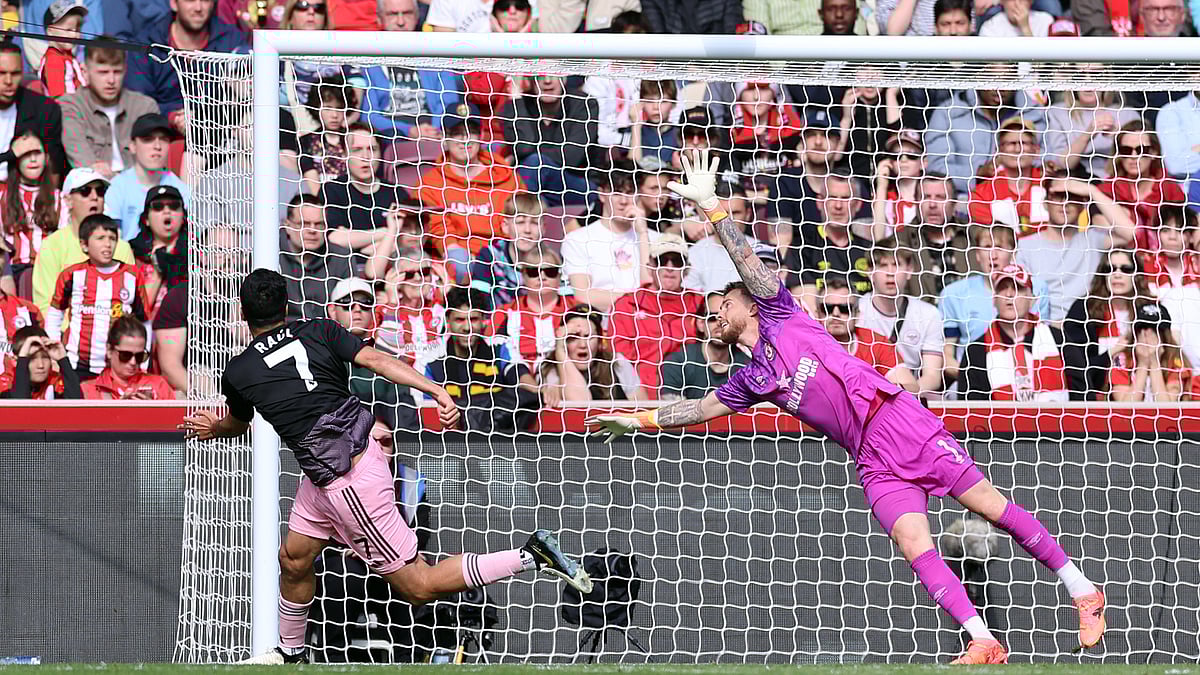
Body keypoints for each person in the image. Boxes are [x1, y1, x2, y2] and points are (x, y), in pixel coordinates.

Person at [589, 150, 1105, 665]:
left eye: (724, 303)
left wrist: (712, 208)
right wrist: (638, 418)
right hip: (870, 456)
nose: (715, 312)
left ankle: (1081, 588)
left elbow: (746, 261)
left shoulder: (780, 313)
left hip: (899, 420)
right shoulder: (753, 378)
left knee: (992, 508)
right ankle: (982, 639)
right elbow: (700, 409)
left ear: (747, 303)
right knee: (912, 543)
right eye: (712, 309)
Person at [182, 269, 590, 665]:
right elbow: (375, 359)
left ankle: (531, 555)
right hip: (324, 477)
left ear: (241, 311)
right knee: (295, 557)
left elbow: (236, 425)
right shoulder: (319, 329)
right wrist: (433, 389)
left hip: (349, 480)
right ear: (287, 305)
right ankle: (291, 652)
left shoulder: (238, 372)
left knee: (419, 586)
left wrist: (212, 427)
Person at [939, 225, 1052, 393]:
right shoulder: (953, 294)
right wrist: (978, 376)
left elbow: (1044, 342)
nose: (993, 255)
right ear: (977, 254)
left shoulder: (1036, 288)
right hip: (973, 381)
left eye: (999, 247)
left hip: (1032, 378)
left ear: (1014, 253)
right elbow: (945, 355)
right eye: (986, 247)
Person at [418, 104, 523, 280]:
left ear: (481, 136)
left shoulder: (506, 177)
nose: (464, 139)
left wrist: (493, 255)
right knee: (459, 262)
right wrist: (452, 248)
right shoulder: (430, 182)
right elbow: (435, 225)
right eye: (457, 133)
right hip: (458, 256)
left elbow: (519, 217)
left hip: (501, 254)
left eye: (470, 132)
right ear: (445, 138)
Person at [1015, 174, 1136, 323]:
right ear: (1046, 203)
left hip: (1087, 328)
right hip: (1044, 331)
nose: (1064, 203)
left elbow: (1131, 233)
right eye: (1058, 196)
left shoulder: (1093, 239)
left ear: (1083, 205)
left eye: (1071, 197)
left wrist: (1093, 191)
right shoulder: (1026, 246)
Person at [46, 214, 147, 379]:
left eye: (112, 238)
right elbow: (55, 313)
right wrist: (55, 354)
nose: (107, 244)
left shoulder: (132, 276)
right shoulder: (71, 275)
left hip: (119, 367)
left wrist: (142, 361)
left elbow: (144, 321)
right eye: (100, 238)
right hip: (76, 365)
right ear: (84, 245)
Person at [609, 234, 705, 396]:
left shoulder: (700, 304)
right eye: (662, 260)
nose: (669, 267)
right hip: (641, 397)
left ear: (686, 269)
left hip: (693, 396)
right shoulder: (627, 305)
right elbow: (621, 360)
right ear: (650, 266)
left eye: (677, 261)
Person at [957, 263, 1070, 402]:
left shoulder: (1060, 341)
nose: (1009, 294)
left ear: (1032, 299)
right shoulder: (976, 352)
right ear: (994, 299)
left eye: (1018, 288)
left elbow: (1083, 397)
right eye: (1002, 288)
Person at [325, 276, 420, 436]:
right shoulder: (319, 360)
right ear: (332, 311)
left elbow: (405, 423)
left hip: (383, 448)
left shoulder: (390, 362)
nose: (357, 309)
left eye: (365, 304)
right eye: (347, 303)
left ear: (372, 312)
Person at [32, 168, 134, 313]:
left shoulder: (121, 247)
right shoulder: (52, 245)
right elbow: (45, 305)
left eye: (100, 191)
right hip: (65, 333)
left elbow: (129, 303)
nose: (95, 197)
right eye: (85, 191)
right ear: (68, 200)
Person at [561, 161, 657, 311]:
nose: (623, 201)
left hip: (647, 326)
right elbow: (583, 296)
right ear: (602, 194)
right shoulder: (578, 240)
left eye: (630, 192)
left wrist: (643, 234)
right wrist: (638, 301)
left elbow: (654, 289)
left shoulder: (655, 239)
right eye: (616, 192)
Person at [924, 79, 1047, 197]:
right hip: (962, 200)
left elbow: (1047, 156)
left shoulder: (1033, 113)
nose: (1000, 88)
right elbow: (937, 168)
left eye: (1006, 80)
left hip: (1025, 197)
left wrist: (1044, 167)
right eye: (992, 80)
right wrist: (976, 174)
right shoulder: (949, 113)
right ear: (979, 77)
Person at [59, 40, 161, 180]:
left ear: (125, 70)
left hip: (139, 188)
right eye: (103, 72)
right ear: (84, 72)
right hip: (94, 191)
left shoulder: (145, 107)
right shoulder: (70, 107)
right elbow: (84, 164)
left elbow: (153, 163)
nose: (111, 80)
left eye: (117, 72)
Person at [855, 242, 945, 396]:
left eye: (896, 265)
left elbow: (932, 377)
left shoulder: (928, 314)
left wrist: (903, 396)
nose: (890, 272)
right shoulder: (856, 312)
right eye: (883, 265)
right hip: (864, 393)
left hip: (911, 395)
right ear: (870, 272)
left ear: (909, 271)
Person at [1063, 250, 1154, 400]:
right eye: (1110, 269)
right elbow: (1077, 371)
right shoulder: (1083, 310)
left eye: (1125, 269)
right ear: (1102, 274)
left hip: (1146, 397)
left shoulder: (1149, 311)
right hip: (1096, 402)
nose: (1117, 274)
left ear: (1137, 275)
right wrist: (1113, 351)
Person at [501, 75, 599, 207]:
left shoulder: (584, 103)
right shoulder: (516, 107)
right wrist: (517, 99)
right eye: (540, 76)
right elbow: (524, 147)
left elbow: (571, 157)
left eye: (553, 75)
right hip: (535, 186)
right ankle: (526, 220)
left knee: (535, 162)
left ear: (563, 78)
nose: (547, 81)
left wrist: (522, 155)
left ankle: (523, 219)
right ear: (530, 81)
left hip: (578, 185)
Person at [1099, 121, 1186, 252]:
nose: (1133, 157)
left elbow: (1181, 233)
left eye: (1141, 150)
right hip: (1120, 262)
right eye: (1126, 150)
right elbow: (1099, 233)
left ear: (1154, 152)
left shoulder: (1170, 189)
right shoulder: (1107, 190)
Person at [819, 276, 917, 392]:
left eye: (845, 308)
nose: (835, 313)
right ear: (816, 313)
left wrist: (866, 389)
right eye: (827, 308)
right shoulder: (804, 344)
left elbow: (911, 387)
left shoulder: (875, 342)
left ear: (857, 314)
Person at [103, 113, 189, 240]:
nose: (157, 146)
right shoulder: (117, 187)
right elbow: (112, 239)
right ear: (132, 146)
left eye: (164, 139)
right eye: (148, 139)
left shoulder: (182, 190)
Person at [540, 303, 646, 406]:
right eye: (574, 337)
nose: (582, 345)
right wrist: (560, 351)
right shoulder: (550, 368)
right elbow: (581, 404)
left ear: (600, 342)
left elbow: (643, 408)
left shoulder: (617, 363)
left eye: (589, 336)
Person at [659, 290, 750, 401]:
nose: (719, 323)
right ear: (700, 324)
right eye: (712, 318)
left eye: (726, 318)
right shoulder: (678, 362)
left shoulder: (747, 367)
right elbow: (672, 413)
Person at [0, 131, 60, 298]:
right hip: (9, 273)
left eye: (37, 153)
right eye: (25, 154)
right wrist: (8, 155)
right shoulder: (2, 194)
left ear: (46, 158)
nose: (33, 159)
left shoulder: (60, 198)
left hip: (49, 273)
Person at [1043, 78, 1138, 181]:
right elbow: (1062, 164)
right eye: (1081, 75)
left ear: (1106, 77)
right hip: (1076, 182)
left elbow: (1141, 159)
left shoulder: (1127, 113)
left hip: (1121, 182)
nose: (1088, 81)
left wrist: (1118, 136)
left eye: (1095, 74)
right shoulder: (1057, 112)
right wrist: (1087, 135)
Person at [494, 246, 576, 366]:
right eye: (533, 272)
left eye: (550, 272)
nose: (542, 277)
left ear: (559, 275)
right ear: (523, 275)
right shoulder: (504, 314)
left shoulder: (577, 310)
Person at [278, 193, 354, 321]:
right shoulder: (270, 256)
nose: (312, 230)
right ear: (288, 225)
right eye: (304, 224)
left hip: (328, 335)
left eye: (319, 225)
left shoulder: (342, 258)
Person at [0, 43, 68, 182]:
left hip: (25, 194)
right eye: (1, 73)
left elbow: (55, 167)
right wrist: (11, 154)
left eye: (15, 73)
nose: (8, 81)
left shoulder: (45, 110)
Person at [968, 117, 1049, 233]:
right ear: (998, 151)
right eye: (1011, 143)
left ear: (1036, 150)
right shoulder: (981, 196)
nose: (1017, 149)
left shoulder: (1051, 186)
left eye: (1024, 143)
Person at [1108, 302, 1196, 401]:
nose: (1147, 335)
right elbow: (1125, 409)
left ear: (1164, 335)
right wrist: (1143, 364)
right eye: (1143, 328)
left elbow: (1166, 410)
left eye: (1154, 330)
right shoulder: (1122, 360)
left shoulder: (1175, 361)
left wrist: (1154, 364)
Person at [129, 185, 187, 320]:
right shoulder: (132, 254)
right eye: (158, 206)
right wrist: (158, 270)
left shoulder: (196, 254)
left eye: (174, 206)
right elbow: (138, 312)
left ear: (183, 216)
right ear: (146, 219)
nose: (167, 212)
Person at [80, 315, 174, 399]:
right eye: (125, 355)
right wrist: (121, 410)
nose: (133, 362)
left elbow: (174, 418)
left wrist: (151, 410)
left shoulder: (159, 385)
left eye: (139, 356)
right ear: (109, 350)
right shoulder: (88, 390)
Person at [0, 326, 82, 399]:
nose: (40, 365)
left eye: (45, 357)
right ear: (15, 361)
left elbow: (77, 408)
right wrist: (23, 359)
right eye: (32, 358)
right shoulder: (5, 382)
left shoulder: (54, 380)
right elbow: (19, 410)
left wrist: (63, 360)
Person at [38, 0, 88, 98]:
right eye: (68, 30)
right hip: (68, 111)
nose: (74, 35)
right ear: (51, 31)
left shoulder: (67, 56)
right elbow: (58, 98)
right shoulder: (54, 60)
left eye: (77, 30)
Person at [977, 0, 1054, 35]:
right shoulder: (990, 26)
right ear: (1002, 2)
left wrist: (1025, 27)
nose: (1017, 4)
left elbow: (1041, 64)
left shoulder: (1045, 21)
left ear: (1031, 1)